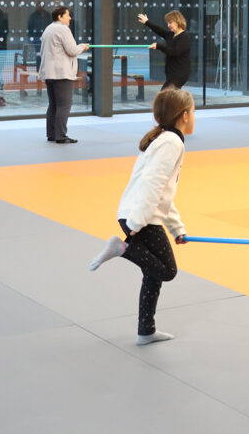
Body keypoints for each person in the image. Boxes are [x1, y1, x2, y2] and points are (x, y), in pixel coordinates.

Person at [89, 87, 194, 345]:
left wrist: (177, 228)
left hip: (138, 214)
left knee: (153, 272)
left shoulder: (164, 139)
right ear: (183, 116)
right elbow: (152, 185)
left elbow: (163, 196)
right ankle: (121, 249)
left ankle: (145, 330)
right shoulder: (172, 142)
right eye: (192, 112)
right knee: (167, 271)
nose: (194, 117)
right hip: (141, 218)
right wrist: (137, 224)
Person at [39, 6, 89, 144]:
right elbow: (72, 50)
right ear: (60, 17)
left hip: (49, 73)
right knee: (64, 105)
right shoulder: (63, 29)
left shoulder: (48, 29)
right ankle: (61, 135)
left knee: (53, 105)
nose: (70, 18)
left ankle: (52, 134)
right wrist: (83, 47)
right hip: (61, 73)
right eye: (68, 15)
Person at [139, 10, 190, 89]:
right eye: (167, 23)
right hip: (171, 74)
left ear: (177, 21)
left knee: (164, 96)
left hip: (179, 74)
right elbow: (159, 30)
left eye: (170, 22)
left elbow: (175, 52)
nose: (168, 25)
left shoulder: (184, 37)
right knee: (171, 98)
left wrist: (159, 46)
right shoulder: (171, 35)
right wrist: (147, 22)